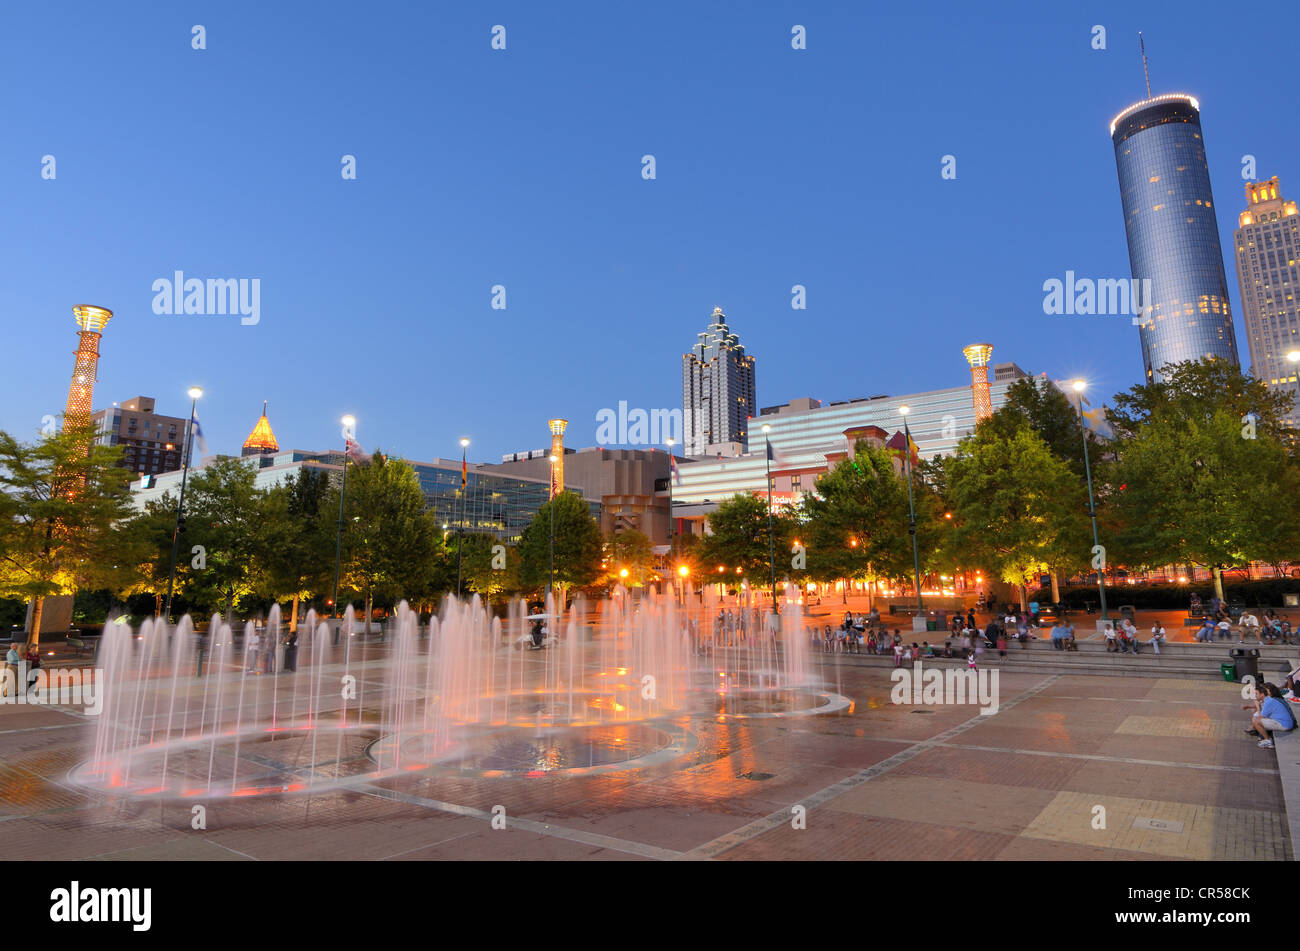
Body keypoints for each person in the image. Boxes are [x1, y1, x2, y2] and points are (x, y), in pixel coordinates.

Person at [1245, 682, 1295, 749]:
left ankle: (1268, 741)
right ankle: (1262, 735)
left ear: (1262, 694)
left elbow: (1260, 718)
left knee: (1255, 720)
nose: (1255, 695)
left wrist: (1257, 707)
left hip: (1284, 724)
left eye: (1256, 693)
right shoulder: (1268, 700)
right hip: (1282, 722)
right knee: (1257, 719)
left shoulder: (1268, 702)